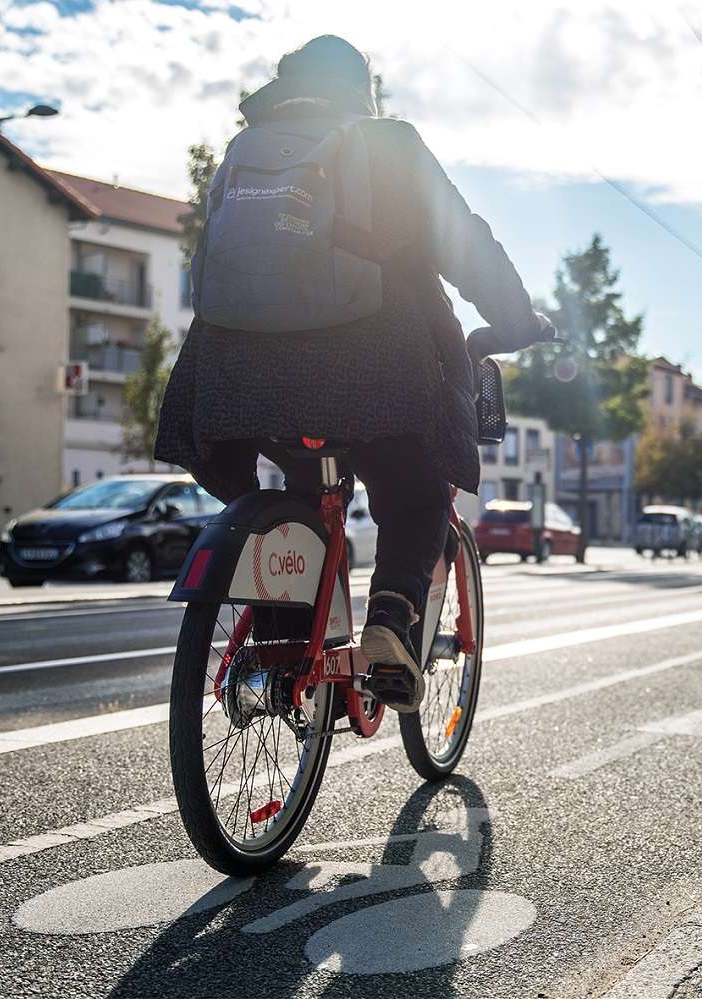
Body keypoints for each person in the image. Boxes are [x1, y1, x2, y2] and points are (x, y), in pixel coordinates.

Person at [155, 35, 546, 711]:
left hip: (232, 372)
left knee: (302, 494)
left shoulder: (248, 151)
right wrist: (515, 318)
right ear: (358, 93)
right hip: (373, 366)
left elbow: (207, 265)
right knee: (416, 488)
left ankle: (281, 637)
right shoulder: (389, 143)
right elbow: (465, 241)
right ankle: (391, 622)